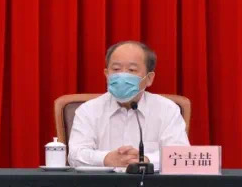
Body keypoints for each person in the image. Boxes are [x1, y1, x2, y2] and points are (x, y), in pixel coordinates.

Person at [68, 40, 189, 170]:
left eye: (132, 70)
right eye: (116, 69)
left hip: (149, 182)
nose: (122, 76)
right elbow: (75, 155)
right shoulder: (88, 110)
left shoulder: (167, 109)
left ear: (149, 78)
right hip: (102, 182)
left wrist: (145, 160)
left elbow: (180, 155)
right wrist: (106, 159)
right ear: (107, 74)